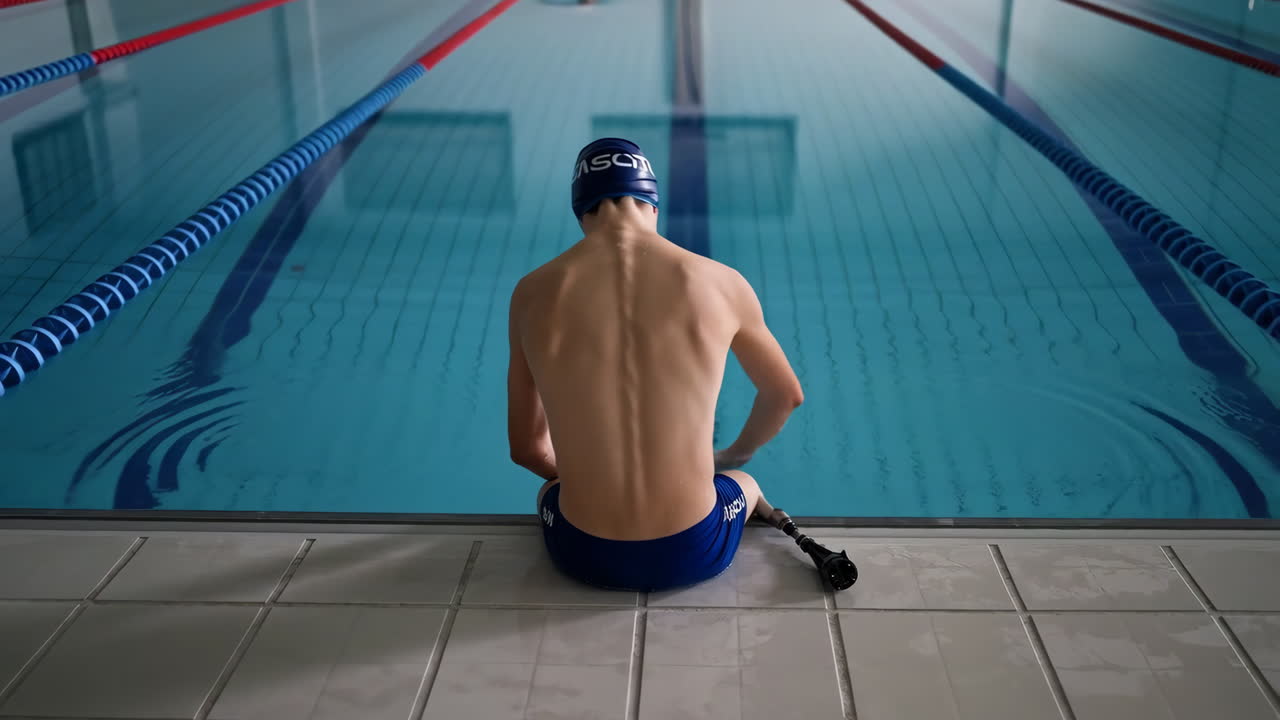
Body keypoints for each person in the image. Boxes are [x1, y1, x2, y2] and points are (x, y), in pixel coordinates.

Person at [506, 137, 804, 592]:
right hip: (693, 549)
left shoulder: (533, 293)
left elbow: (527, 449)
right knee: (743, 481)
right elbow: (785, 396)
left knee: (550, 492)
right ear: (652, 204)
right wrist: (728, 458)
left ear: (582, 211)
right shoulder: (722, 283)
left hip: (584, 553)